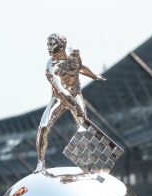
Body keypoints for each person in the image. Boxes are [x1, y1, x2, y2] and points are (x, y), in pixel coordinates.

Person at [35, 33, 106, 172]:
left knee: (84, 125)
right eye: (48, 44)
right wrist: (75, 106)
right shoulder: (51, 66)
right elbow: (61, 91)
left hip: (75, 93)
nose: (48, 48)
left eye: (51, 44)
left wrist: (93, 76)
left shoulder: (74, 53)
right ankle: (40, 164)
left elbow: (80, 67)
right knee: (43, 127)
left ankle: (92, 163)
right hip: (59, 98)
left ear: (61, 45)